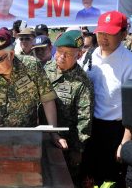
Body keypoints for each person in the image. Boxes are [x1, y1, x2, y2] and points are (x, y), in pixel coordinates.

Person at [0, 29, 67, 149]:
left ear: (11, 54)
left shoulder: (31, 66)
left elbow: (47, 99)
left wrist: (54, 133)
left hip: (28, 137)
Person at [85, 11, 132, 187]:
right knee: (90, 177)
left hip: (115, 131)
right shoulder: (90, 56)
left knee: (111, 179)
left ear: (124, 34)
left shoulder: (131, 64)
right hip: (90, 127)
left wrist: (124, 142)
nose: (103, 38)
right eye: (101, 33)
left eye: (110, 33)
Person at [39, 30, 94, 186]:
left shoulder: (82, 83)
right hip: (41, 137)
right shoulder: (45, 69)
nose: (61, 57)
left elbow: (85, 119)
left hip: (65, 145)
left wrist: (78, 150)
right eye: (60, 52)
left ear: (78, 55)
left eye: (68, 54)